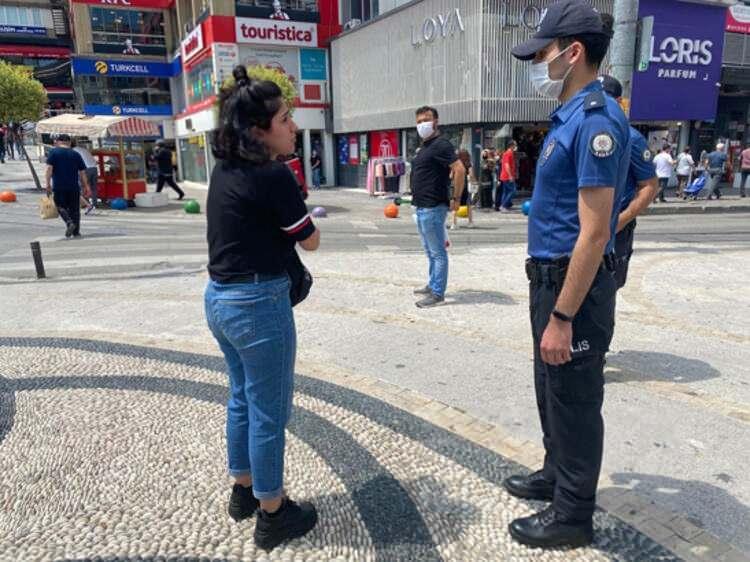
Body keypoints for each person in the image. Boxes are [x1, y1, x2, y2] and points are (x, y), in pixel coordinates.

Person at [506, 2, 628, 549]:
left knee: (575, 399)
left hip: (570, 288)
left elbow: (596, 232)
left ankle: (573, 515)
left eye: (544, 53)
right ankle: (556, 475)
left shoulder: (597, 120)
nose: (539, 62)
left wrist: (562, 315)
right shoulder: (570, 115)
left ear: (573, 52)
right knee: (550, 387)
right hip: (548, 279)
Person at [205, 65, 320, 552]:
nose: (293, 127)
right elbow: (310, 241)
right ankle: (274, 513)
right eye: (286, 119)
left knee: (240, 399)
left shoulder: (226, 169)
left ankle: (243, 491)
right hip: (257, 304)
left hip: (219, 299)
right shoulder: (273, 175)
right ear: (259, 130)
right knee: (269, 412)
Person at [599, 75, 658, 288]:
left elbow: (650, 186)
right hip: (584, 225)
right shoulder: (585, 133)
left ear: (619, 103)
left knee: (606, 286)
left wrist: (622, 219)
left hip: (617, 229)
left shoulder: (631, 138)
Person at [411, 105, 465, 308]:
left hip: (433, 206)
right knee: (429, 250)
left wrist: (456, 197)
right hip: (422, 207)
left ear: (436, 122)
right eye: (418, 121)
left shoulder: (441, 145)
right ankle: (432, 284)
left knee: (437, 252)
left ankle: (437, 292)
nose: (422, 124)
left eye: (426, 120)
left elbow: (459, 170)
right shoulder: (425, 147)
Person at [45, 134, 91, 238]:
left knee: (60, 206)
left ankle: (69, 222)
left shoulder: (54, 152)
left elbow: (49, 169)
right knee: (75, 209)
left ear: (58, 141)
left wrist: (47, 184)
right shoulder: (75, 154)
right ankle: (76, 232)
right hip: (74, 187)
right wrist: (86, 186)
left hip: (59, 186)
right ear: (69, 142)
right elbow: (82, 172)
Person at [71, 139, 99, 215]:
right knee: (93, 187)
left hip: (86, 169)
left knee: (82, 187)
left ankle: (85, 204)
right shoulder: (82, 149)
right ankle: (95, 204)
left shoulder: (73, 151)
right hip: (94, 168)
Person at [450, 149, 476, 229]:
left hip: (456, 186)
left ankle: (454, 223)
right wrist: (473, 181)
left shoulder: (455, 164)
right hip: (465, 186)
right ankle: (470, 222)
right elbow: (471, 175)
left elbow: (450, 176)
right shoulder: (468, 164)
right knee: (468, 205)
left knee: (455, 203)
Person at [496, 139, 518, 212]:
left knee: (506, 191)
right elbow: (506, 165)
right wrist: (510, 176)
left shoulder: (508, 153)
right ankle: (503, 205)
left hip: (505, 176)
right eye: (515, 145)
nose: (516, 146)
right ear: (512, 145)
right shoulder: (508, 153)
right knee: (513, 191)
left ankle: (503, 206)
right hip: (507, 176)